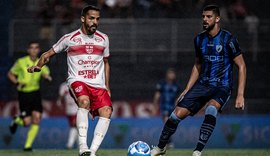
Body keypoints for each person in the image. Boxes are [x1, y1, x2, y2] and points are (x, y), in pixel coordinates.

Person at [151, 5, 246, 156]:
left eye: (208, 17)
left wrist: (240, 94)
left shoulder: (228, 39)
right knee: (176, 114)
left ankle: (197, 151)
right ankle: (161, 147)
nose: (205, 20)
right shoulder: (199, 40)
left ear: (217, 18)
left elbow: (241, 66)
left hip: (222, 85)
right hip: (202, 84)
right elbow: (197, 65)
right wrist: (188, 89)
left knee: (211, 109)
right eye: (203, 16)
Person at [27, 5, 112, 156]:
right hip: (77, 80)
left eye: (97, 19)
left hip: (98, 84)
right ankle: (82, 147)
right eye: (91, 18)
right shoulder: (69, 39)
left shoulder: (104, 39)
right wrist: (38, 66)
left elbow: (106, 63)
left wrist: (107, 86)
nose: (95, 22)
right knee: (84, 102)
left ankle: (91, 152)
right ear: (83, 19)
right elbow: (47, 54)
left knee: (107, 111)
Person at [8, 41, 52, 151]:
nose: (34, 50)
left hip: (35, 93)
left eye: (36, 48)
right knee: (26, 122)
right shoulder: (21, 62)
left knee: (37, 118)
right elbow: (10, 74)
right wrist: (17, 82)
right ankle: (16, 120)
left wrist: (48, 78)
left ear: (38, 50)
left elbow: (46, 73)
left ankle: (27, 146)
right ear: (28, 50)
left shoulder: (40, 61)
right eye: (31, 48)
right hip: (24, 94)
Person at [153, 68, 180, 148]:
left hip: (173, 107)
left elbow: (178, 97)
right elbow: (157, 95)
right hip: (164, 106)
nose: (172, 75)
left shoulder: (177, 85)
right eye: (170, 73)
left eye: (173, 73)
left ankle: (167, 142)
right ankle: (168, 143)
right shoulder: (162, 84)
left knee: (171, 125)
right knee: (166, 122)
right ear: (167, 75)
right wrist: (155, 105)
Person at [57, 82, 78, 149]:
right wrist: (59, 101)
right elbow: (61, 96)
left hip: (77, 106)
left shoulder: (78, 84)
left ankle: (70, 144)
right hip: (69, 108)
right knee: (76, 126)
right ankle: (80, 144)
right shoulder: (64, 85)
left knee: (75, 125)